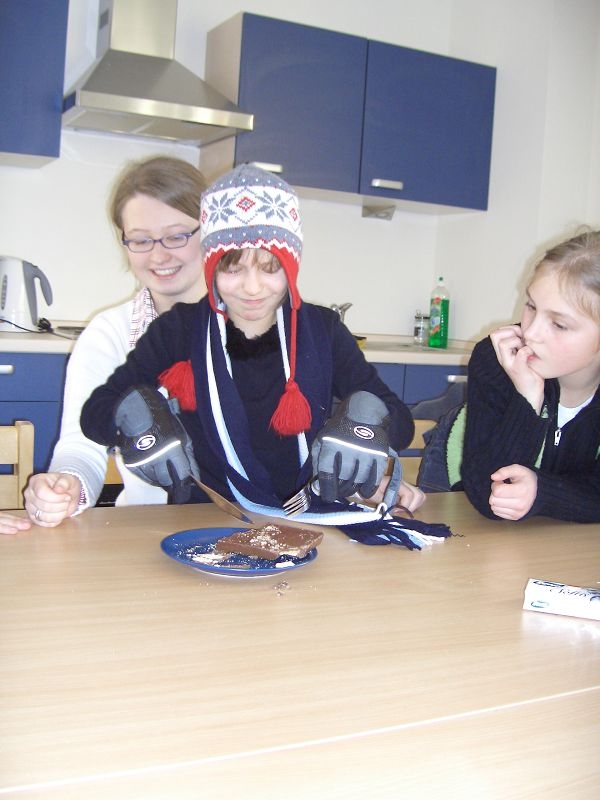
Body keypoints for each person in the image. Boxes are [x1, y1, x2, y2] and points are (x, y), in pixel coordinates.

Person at [79, 164, 425, 522]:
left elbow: (400, 422)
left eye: (270, 268)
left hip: (309, 516)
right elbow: (95, 413)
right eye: (233, 269)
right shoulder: (178, 330)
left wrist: (368, 420)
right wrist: (136, 420)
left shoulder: (322, 329)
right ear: (212, 265)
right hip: (205, 516)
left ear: (291, 265)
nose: (252, 287)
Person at [0, 156, 206, 534]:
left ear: (211, 231)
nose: (158, 255)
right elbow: (82, 446)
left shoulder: (257, 327)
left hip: (259, 529)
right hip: (148, 535)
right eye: (140, 240)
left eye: (177, 236)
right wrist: (66, 486)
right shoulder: (110, 334)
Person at [461, 228, 600, 522]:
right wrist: (527, 398)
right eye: (531, 307)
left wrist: (543, 493)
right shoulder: (496, 358)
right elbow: (488, 496)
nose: (531, 333)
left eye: (559, 325)